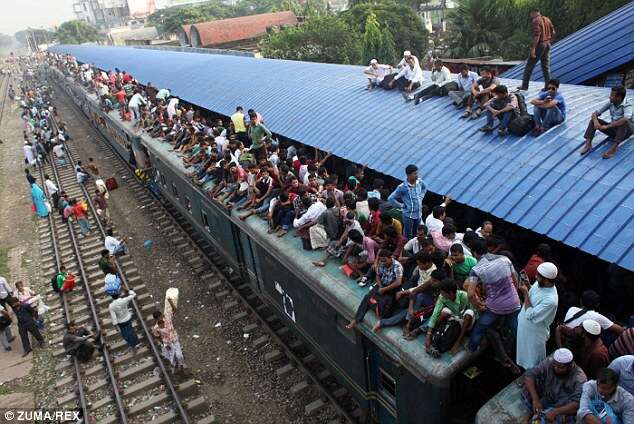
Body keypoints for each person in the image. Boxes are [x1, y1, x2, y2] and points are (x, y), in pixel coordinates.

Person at [467, 239, 521, 352]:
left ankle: (472, 348)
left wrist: (478, 306)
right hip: (514, 302)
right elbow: (515, 281)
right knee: (515, 326)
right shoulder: (505, 259)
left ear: (475, 252)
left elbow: (471, 294)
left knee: (481, 326)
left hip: (495, 307)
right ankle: (522, 348)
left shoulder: (476, 270)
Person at [522, 348, 587, 424]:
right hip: (547, 395)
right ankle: (532, 412)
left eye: (560, 367)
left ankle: (538, 414)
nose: (556, 369)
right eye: (555, 365)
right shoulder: (549, 363)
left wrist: (556, 412)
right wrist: (535, 399)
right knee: (526, 390)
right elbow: (529, 375)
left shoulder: (580, 378)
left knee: (552, 419)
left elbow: (577, 403)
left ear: (570, 366)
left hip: (562, 406)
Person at [516, 262, 559, 370]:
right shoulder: (541, 283)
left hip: (534, 333)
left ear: (547, 279)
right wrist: (528, 285)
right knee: (523, 354)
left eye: (538, 276)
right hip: (524, 329)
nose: (536, 277)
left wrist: (525, 293)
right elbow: (534, 294)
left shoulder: (551, 300)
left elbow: (531, 314)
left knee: (533, 361)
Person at [346, 250, 403, 329]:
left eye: (385, 260)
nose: (383, 262)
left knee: (384, 303)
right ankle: (356, 319)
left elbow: (398, 282)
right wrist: (380, 286)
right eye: (381, 261)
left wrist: (384, 289)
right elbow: (378, 276)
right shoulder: (381, 263)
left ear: (390, 258)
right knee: (367, 297)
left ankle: (381, 320)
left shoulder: (397, 266)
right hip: (381, 285)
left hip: (392, 288)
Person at [580, 86, 633, 159]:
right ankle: (588, 144)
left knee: (624, 122)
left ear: (619, 98)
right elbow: (595, 114)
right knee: (593, 120)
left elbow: (626, 119)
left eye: (612, 95)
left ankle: (613, 149)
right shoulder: (610, 103)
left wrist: (607, 126)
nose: (610, 97)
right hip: (614, 129)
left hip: (626, 132)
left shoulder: (627, 105)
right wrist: (596, 122)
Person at [425, 278, 476, 355]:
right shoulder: (442, 297)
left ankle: (458, 342)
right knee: (444, 312)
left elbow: (475, 313)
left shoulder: (464, 296)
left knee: (469, 313)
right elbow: (435, 314)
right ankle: (437, 334)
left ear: (451, 293)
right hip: (454, 318)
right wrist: (429, 334)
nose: (441, 294)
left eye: (443, 292)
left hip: (465, 321)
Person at [518, 8, 555, 91]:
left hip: (540, 45)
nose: (530, 16)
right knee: (545, 66)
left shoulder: (536, 21)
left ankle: (525, 86)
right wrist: (549, 40)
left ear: (534, 13)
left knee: (529, 65)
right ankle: (548, 87)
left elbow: (537, 35)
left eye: (531, 14)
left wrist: (533, 48)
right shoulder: (547, 19)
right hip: (548, 44)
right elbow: (553, 32)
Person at [387, 164, 426, 240]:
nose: (417, 175)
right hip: (408, 215)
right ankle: (406, 248)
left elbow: (424, 188)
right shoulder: (402, 187)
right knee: (408, 234)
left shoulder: (419, 182)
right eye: (414, 174)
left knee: (416, 233)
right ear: (408, 175)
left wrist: (421, 196)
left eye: (417, 173)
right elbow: (391, 198)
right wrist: (401, 205)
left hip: (418, 214)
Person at [152, 296, 185, 373]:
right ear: (156, 320)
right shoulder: (156, 328)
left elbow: (174, 310)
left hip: (174, 339)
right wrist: (164, 345)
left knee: (179, 355)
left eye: (160, 317)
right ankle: (176, 366)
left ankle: (181, 365)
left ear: (162, 316)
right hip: (167, 343)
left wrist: (170, 302)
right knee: (172, 357)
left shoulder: (167, 318)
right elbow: (157, 336)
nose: (160, 319)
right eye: (158, 319)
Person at [108, 288, 140, 353]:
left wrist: (116, 326)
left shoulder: (111, 306)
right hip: (128, 319)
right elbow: (134, 294)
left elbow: (114, 317)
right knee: (131, 331)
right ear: (119, 295)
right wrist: (128, 291)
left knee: (125, 334)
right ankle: (135, 344)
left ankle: (133, 346)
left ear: (112, 297)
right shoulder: (124, 300)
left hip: (121, 323)